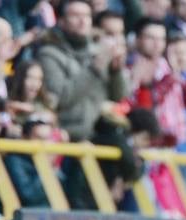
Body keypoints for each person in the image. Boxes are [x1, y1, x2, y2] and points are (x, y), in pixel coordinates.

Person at [36, 0, 128, 142]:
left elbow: (118, 97)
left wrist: (116, 72)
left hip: (96, 132)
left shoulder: (98, 51)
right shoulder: (49, 54)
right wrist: (94, 69)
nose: (82, 21)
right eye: (75, 15)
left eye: (86, 16)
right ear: (61, 21)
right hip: (65, 133)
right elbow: (60, 98)